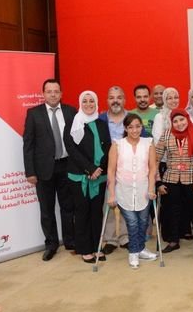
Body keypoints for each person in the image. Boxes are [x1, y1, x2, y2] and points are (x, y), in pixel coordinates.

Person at [23, 79, 76, 261]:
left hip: (67, 166)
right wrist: (30, 172)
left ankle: (70, 240)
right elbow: (28, 144)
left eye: (56, 91)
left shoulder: (70, 112)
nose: (53, 94)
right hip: (43, 169)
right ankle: (51, 244)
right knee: (47, 209)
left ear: (61, 93)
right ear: (43, 94)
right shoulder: (33, 114)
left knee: (68, 207)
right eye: (49, 91)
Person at [63, 91, 111, 263]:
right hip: (80, 176)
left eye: (92, 101)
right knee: (82, 211)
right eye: (85, 101)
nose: (89, 104)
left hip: (99, 176)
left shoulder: (101, 123)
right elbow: (72, 149)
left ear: (96, 103)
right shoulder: (73, 123)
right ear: (80, 103)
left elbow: (108, 147)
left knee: (96, 212)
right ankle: (84, 249)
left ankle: (97, 247)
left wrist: (99, 169)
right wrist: (90, 169)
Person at [107, 113, 158, 269]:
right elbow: (111, 171)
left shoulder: (148, 143)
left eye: (137, 126)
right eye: (131, 127)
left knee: (143, 222)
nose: (135, 130)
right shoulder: (117, 145)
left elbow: (153, 168)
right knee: (133, 222)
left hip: (143, 190)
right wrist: (112, 194)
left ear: (141, 127)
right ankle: (133, 253)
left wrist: (151, 188)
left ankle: (141, 249)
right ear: (125, 128)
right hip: (123, 191)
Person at [155, 109, 193, 252]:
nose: (179, 123)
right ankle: (173, 241)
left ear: (187, 119)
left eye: (182, 120)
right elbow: (155, 159)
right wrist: (158, 182)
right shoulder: (166, 134)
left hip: (192, 178)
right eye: (175, 121)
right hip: (171, 178)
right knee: (172, 210)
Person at [98, 86, 129, 254]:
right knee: (108, 203)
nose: (115, 101)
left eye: (118, 97)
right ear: (107, 100)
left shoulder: (132, 118)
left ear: (124, 100)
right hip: (106, 169)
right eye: (111, 97)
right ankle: (110, 239)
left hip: (128, 168)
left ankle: (125, 237)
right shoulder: (100, 119)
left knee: (125, 202)